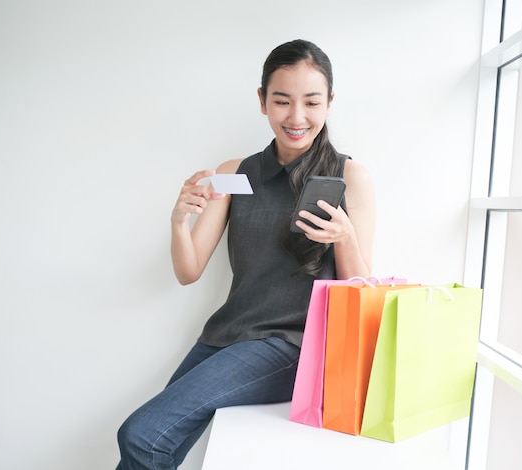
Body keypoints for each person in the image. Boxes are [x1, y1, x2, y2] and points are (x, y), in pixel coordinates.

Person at [116, 39, 375, 469]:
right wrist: (179, 220)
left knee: (141, 435)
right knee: (151, 442)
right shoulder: (233, 174)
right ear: (262, 101)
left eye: (311, 102)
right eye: (281, 101)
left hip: (289, 345)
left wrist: (344, 238)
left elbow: (360, 291)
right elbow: (189, 271)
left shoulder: (350, 176)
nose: (296, 117)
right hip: (224, 336)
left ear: (330, 102)